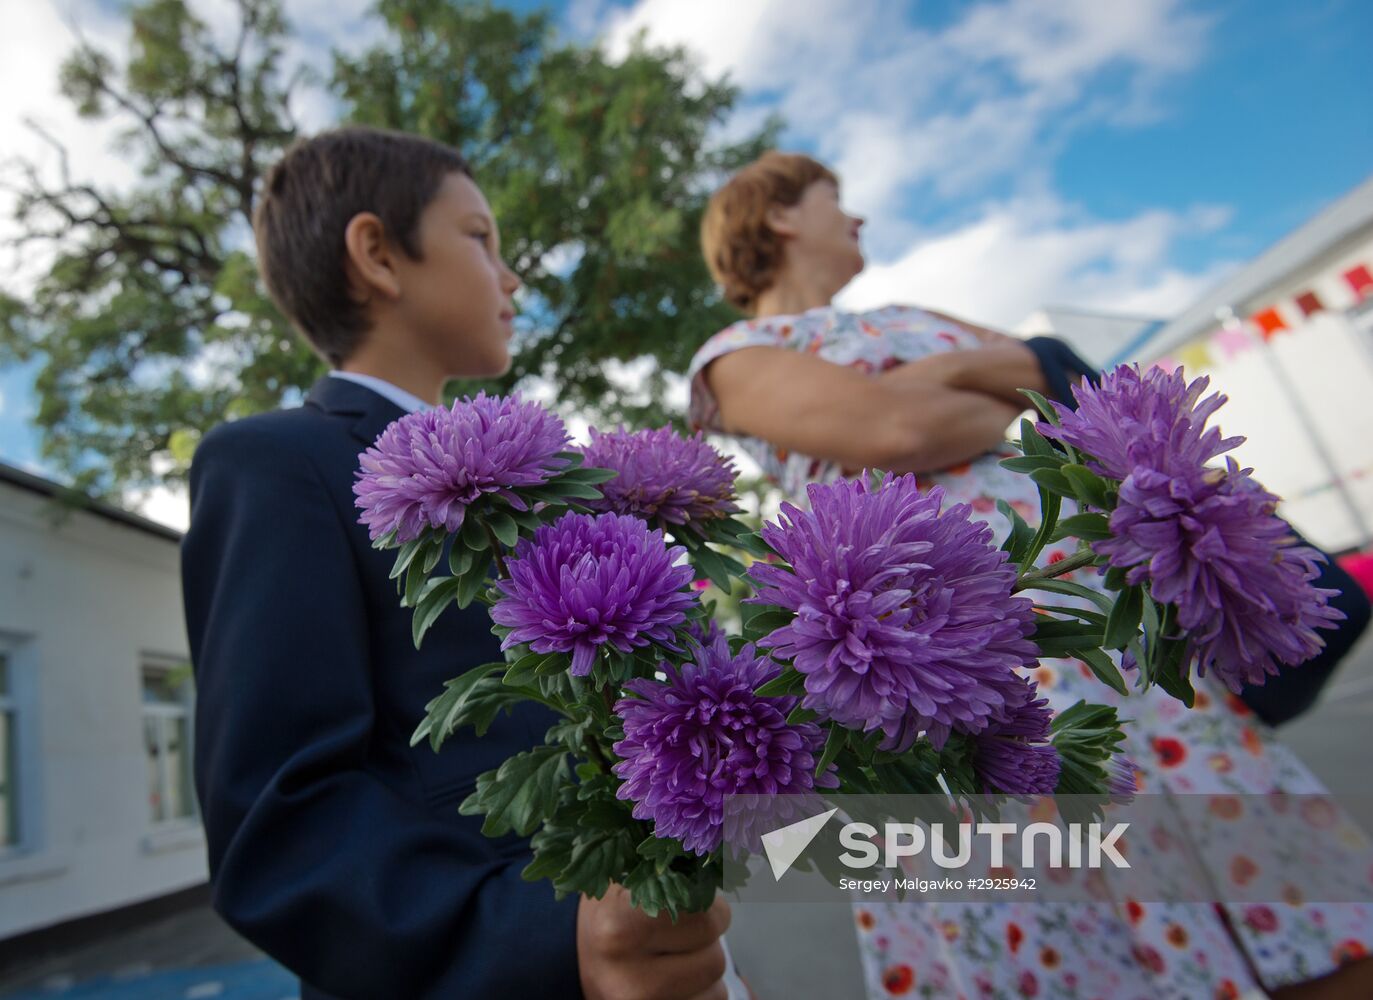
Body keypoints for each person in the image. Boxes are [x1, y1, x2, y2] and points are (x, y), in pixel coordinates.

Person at [689, 150, 1373, 999]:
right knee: (1053, 911)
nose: (857, 216)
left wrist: (932, 388)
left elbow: (1052, 386)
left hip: (1115, 630)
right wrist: (979, 397)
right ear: (780, 215)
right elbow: (898, 434)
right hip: (945, 665)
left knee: (1285, 900)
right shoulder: (734, 354)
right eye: (836, 199)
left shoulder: (908, 312)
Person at [182, 126, 733, 1000]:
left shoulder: (556, 477)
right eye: (480, 238)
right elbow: (280, 818)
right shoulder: (277, 461)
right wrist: (551, 937)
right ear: (378, 255)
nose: (511, 277)